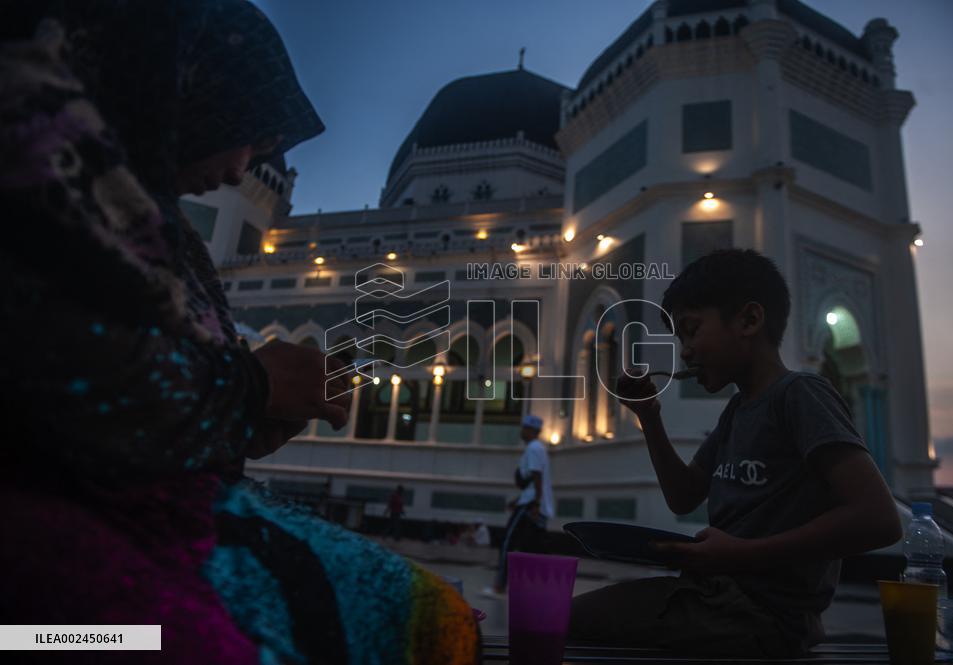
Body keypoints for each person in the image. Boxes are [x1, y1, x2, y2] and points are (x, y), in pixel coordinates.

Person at [0, 2, 478, 663]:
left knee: (432, 619)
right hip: (41, 563)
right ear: (178, 85)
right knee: (176, 641)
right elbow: (70, 393)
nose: (238, 171)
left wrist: (256, 417)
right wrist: (251, 387)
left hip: (159, 522)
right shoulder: (32, 171)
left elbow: (156, 413)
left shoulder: (168, 240)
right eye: (244, 134)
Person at [568, 249, 902, 658]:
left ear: (749, 320)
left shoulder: (798, 395)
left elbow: (879, 519)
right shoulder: (737, 412)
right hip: (718, 599)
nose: (685, 351)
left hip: (761, 615)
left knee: (566, 620)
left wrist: (742, 555)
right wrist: (649, 418)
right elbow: (684, 495)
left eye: (691, 331)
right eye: (679, 339)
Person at [481, 414, 554, 597]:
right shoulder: (538, 449)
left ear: (532, 430)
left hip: (530, 505)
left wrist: (535, 503)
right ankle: (537, 588)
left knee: (508, 541)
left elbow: (537, 476)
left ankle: (499, 586)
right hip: (530, 502)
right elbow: (533, 480)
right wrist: (518, 500)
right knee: (533, 548)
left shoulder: (534, 448)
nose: (522, 431)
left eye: (525, 428)